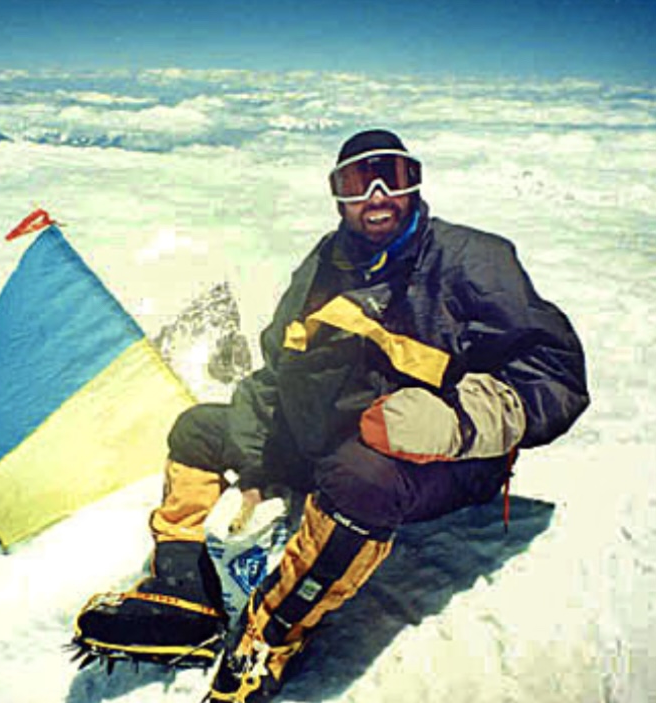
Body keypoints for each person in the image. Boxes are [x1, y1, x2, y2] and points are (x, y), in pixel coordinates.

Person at [72, 129, 590, 701]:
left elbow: (556, 375)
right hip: (327, 431)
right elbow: (280, 366)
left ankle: (269, 637)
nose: (375, 196)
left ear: (415, 184)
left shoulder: (472, 262)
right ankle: (181, 588)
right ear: (337, 195)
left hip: (442, 457)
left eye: (392, 178)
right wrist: (256, 459)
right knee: (198, 430)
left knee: (358, 476)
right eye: (355, 182)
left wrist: (455, 421)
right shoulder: (326, 261)